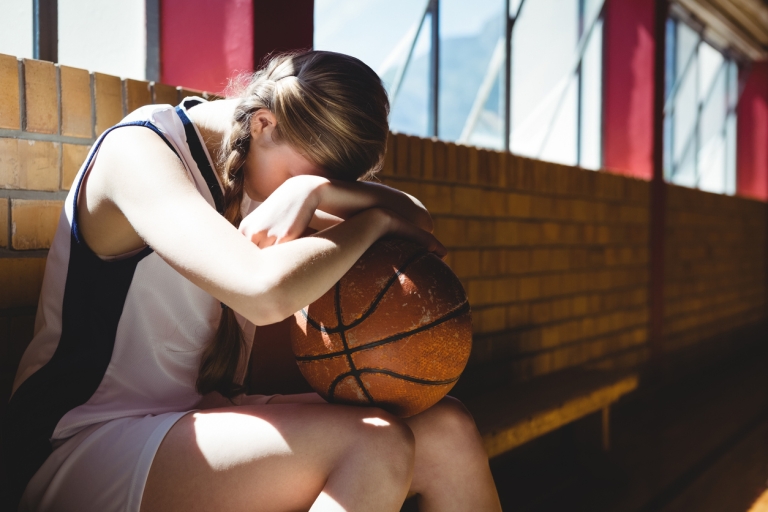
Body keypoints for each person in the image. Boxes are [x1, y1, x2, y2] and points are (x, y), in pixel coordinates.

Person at [3, 51, 502, 512]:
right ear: (264, 123)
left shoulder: (268, 171)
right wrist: (369, 222)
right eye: (302, 176)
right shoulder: (137, 153)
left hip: (191, 420)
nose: (300, 197)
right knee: (374, 443)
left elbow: (419, 223)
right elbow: (263, 293)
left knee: (448, 431)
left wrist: (313, 188)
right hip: (78, 442)